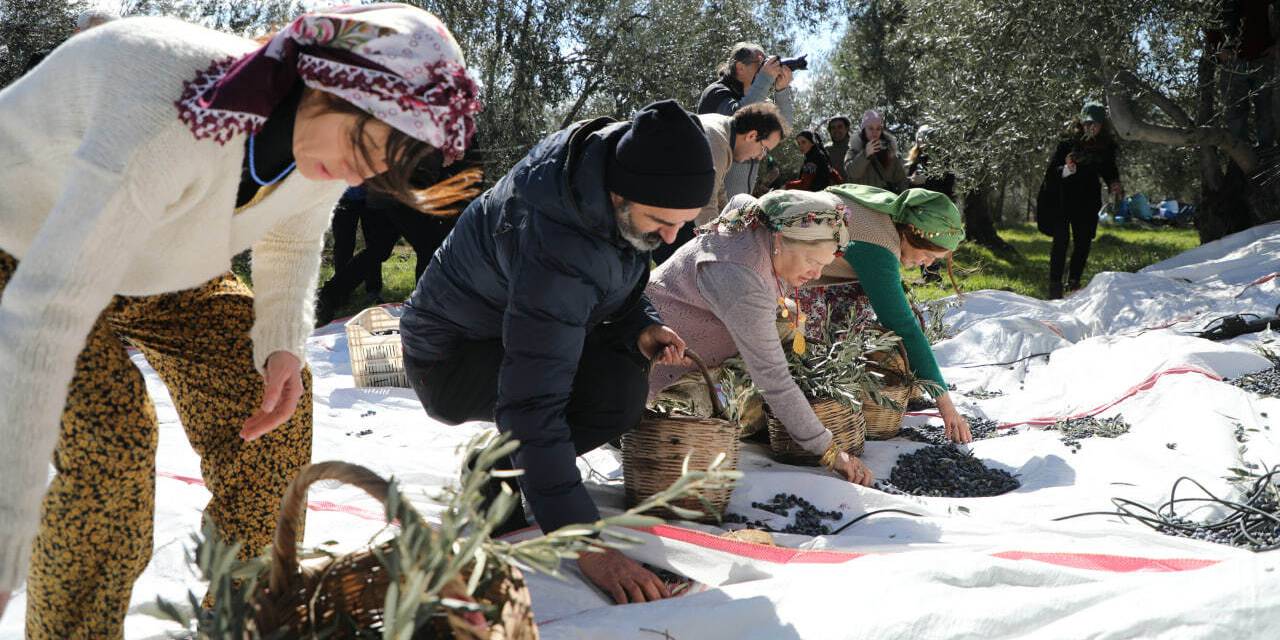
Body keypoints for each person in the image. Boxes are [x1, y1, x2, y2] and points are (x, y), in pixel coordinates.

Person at [0, 6, 481, 636]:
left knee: (275, 409)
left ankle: (243, 615)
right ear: (327, 84)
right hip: (25, 251)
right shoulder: (169, 107)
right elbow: (50, 315)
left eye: (383, 167)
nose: (364, 174)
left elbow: (292, 238)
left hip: (156, 256)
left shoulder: (326, 140)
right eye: (365, 148)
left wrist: (281, 345)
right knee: (109, 448)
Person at [398, 99, 713, 605]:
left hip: (502, 331)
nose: (671, 239)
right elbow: (533, 401)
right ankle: (499, 468)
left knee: (619, 386)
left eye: (684, 224)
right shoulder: (556, 241)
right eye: (660, 222)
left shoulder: (608, 180)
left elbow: (616, 277)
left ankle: (503, 460)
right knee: (590, 396)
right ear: (617, 194)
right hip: (450, 357)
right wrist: (587, 545)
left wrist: (642, 324)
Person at [648, 190, 876, 484]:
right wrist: (829, 451)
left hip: (695, 336)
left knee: (790, 315)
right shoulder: (741, 277)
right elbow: (773, 378)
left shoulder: (761, 220)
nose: (816, 273)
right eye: (810, 260)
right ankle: (705, 415)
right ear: (780, 240)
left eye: (824, 264)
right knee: (712, 408)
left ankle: (771, 416)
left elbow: (741, 198)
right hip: (659, 373)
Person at [799, 184, 973, 444]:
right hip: (781, 270)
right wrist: (946, 405)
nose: (926, 264)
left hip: (804, 256)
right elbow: (903, 326)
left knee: (857, 306)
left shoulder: (894, 210)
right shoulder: (878, 245)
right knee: (805, 348)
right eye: (927, 255)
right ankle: (801, 411)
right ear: (913, 234)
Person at [315, 154, 484, 325]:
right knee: (428, 246)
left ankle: (328, 296)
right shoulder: (441, 135)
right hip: (400, 191)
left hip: (388, 191)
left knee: (378, 250)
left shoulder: (450, 138)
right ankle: (427, 308)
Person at [652, 102, 786, 264]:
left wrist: (732, 223)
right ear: (751, 136)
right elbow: (705, 203)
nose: (760, 157)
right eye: (764, 149)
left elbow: (717, 189)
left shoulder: (723, 133)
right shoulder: (717, 142)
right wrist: (721, 251)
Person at [1040, 101, 1122, 299]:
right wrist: (1068, 168)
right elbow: (1052, 172)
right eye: (1087, 124)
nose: (1090, 128)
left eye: (1094, 124)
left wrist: (1113, 182)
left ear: (1103, 125)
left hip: (1087, 201)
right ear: (1080, 123)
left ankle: (1074, 282)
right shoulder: (1067, 142)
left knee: (1083, 242)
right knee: (1061, 241)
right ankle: (1055, 287)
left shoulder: (1106, 145)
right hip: (1062, 199)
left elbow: (1109, 168)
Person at [697, 42, 796, 198]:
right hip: (710, 199)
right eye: (760, 64)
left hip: (738, 204)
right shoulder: (716, 92)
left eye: (765, 64)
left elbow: (784, 128)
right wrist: (765, 78)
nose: (764, 69)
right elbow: (737, 119)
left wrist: (782, 90)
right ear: (740, 67)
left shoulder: (759, 100)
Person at [1206, 0, 1276, 149]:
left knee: (1266, 111)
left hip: (1263, 58)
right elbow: (1210, 19)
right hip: (1232, 62)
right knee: (1235, 113)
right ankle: (1241, 156)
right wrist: (1219, 51)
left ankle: (1267, 153)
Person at [905, 125, 957, 283]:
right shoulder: (917, 158)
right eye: (920, 139)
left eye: (926, 138)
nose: (922, 142)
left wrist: (925, 181)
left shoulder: (941, 160)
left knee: (931, 238)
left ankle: (932, 274)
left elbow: (947, 184)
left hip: (936, 207)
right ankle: (928, 274)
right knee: (923, 238)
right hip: (921, 207)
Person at [23, 8, 118, 73]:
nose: (103, 41)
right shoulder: (43, 62)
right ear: (78, 32)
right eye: (98, 33)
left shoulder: (109, 66)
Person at [845, 109, 908, 193]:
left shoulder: (890, 153)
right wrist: (865, 154)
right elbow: (853, 173)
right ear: (864, 130)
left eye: (878, 129)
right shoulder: (853, 151)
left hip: (884, 203)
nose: (874, 132)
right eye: (870, 128)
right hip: (860, 202)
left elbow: (901, 180)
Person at [825, 115, 852, 181]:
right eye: (833, 128)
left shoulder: (855, 148)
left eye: (840, 127)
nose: (836, 130)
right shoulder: (826, 150)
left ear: (846, 129)